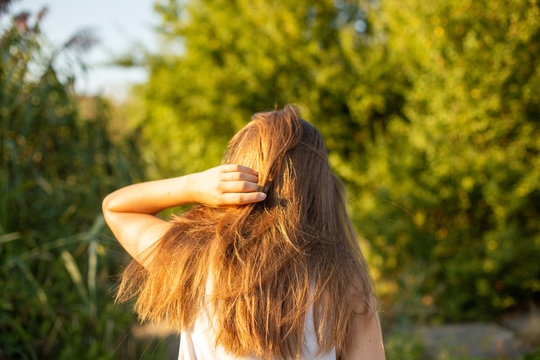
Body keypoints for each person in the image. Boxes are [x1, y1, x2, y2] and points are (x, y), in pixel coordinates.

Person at [102, 105, 385, 360]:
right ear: (318, 188)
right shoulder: (344, 281)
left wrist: (193, 185)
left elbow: (116, 208)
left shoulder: (196, 258)